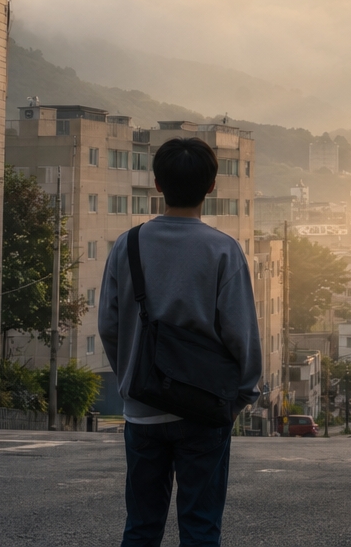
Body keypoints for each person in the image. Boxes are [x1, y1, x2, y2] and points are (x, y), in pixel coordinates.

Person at [100, 137, 263, 546]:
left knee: (140, 527)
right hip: (204, 408)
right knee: (201, 528)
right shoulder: (223, 250)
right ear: (211, 187)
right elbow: (240, 335)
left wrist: (134, 380)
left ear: (157, 184)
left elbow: (108, 325)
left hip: (142, 409)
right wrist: (239, 398)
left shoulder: (128, 244)